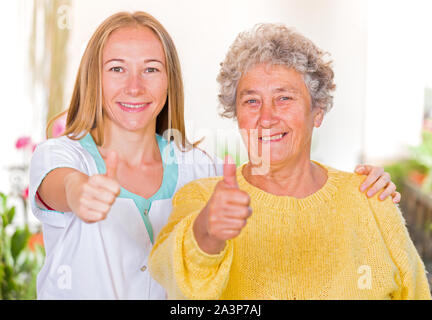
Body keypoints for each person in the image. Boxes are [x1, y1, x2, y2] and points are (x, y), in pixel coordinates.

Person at [29, 11, 399, 300]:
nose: (135, 86)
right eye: (117, 69)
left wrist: (359, 187)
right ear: (94, 77)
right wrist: (80, 192)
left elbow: (267, 187)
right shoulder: (61, 156)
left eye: (151, 69)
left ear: (169, 79)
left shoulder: (199, 168)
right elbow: (61, 185)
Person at [148, 23, 431, 300]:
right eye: (251, 101)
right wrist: (207, 232)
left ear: (317, 111)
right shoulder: (201, 198)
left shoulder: (370, 198)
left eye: (284, 98)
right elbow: (170, 278)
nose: (267, 117)